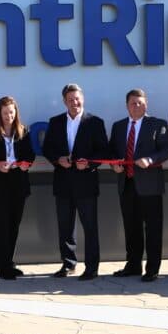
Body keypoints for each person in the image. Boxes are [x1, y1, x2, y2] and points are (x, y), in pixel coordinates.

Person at [42, 83, 110, 281]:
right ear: (64, 102)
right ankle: (68, 264)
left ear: (83, 98)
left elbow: (103, 151)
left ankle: (92, 267)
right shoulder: (55, 122)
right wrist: (58, 160)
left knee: (90, 227)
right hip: (63, 182)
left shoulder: (95, 122)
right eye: (70, 99)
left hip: (86, 182)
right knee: (65, 227)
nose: (75, 102)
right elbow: (48, 149)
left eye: (77, 98)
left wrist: (89, 164)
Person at [109, 89, 168, 282]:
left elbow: (167, 150)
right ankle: (133, 265)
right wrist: (115, 164)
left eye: (140, 103)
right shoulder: (118, 126)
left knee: (153, 228)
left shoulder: (157, 124)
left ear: (146, 104)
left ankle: (152, 269)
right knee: (131, 227)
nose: (136, 106)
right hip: (126, 184)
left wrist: (151, 159)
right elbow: (112, 150)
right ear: (126, 105)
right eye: (133, 103)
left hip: (150, 185)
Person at [0, 96, 36, 280]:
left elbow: (30, 155)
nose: (8, 116)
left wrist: (26, 164)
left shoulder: (23, 131)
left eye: (11, 112)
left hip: (18, 184)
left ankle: (10, 263)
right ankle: (3, 267)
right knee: (1, 227)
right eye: (5, 113)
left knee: (14, 226)